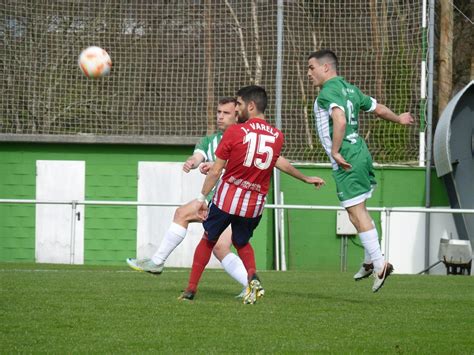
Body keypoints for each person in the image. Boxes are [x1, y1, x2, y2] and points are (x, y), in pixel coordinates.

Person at [179, 85, 325, 304]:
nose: (236, 109)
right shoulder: (277, 136)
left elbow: (217, 170)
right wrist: (305, 178)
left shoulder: (235, 132)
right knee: (242, 242)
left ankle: (190, 290)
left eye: (238, 104)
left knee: (209, 240)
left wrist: (201, 198)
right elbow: (275, 161)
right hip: (254, 204)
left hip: (228, 198)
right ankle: (252, 276)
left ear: (251, 106)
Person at [307, 49, 415, 292]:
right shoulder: (350, 89)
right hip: (361, 153)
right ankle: (369, 262)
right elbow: (377, 108)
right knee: (359, 210)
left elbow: (340, 120)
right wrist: (399, 119)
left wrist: (335, 151)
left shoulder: (328, 91)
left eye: (311, 68)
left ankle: (379, 264)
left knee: (356, 213)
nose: (308, 73)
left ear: (326, 68)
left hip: (347, 156)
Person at [127, 97, 251, 297]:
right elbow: (198, 156)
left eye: (226, 113)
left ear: (237, 115)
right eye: (218, 112)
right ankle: (157, 263)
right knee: (187, 217)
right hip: (215, 199)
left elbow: (246, 166)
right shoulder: (209, 141)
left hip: (235, 201)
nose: (220, 116)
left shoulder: (244, 138)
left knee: (219, 245)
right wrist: (191, 162)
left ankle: (250, 284)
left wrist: (219, 167)